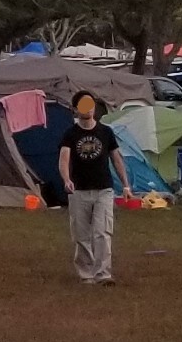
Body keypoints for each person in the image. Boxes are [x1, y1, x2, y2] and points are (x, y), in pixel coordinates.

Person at [57, 94, 132, 285]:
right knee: (81, 235)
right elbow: (64, 160)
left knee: (102, 232)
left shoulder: (106, 132)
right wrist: (66, 179)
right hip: (79, 191)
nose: (88, 108)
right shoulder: (70, 134)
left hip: (103, 189)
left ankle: (103, 274)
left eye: (90, 105)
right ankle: (87, 274)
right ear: (75, 109)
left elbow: (117, 159)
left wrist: (125, 185)